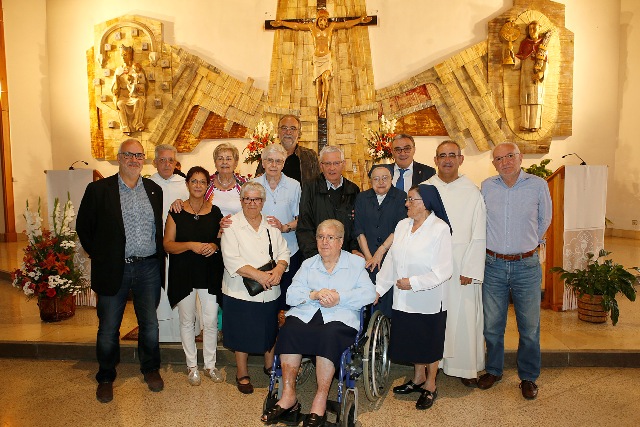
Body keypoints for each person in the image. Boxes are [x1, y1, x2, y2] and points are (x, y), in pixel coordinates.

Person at [262, 220, 376, 427]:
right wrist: (313, 294)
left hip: (340, 318)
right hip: (308, 313)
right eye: (320, 237)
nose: (324, 242)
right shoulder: (309, 264)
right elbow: (291, 294)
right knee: (289, 330)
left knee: (328, 334)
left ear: (340, 241)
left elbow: (369, 294)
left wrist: (340, 297)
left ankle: (320, 400)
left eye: (330, 237)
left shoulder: (355, 264)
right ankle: (288, 395)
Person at [76, 139, 165, 403]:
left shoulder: (154, 190)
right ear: (119, 157)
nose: (134, 160)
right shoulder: (98, 190)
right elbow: (84, 227)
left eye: (139, 155)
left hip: (148, 267)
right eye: (129, 155)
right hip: (114, 268)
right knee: (108, 327)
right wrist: (102, 255)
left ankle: (150, 368)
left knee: (149, 324)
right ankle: (105, 376)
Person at [478, 142, 552, 400]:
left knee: (529, 326)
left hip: (526, 265)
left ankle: (528, 376)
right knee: (492, 325)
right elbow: (481, 221)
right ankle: (494, 370)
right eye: (499, 159)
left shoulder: (537, 185)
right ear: (494, 164)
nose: (505, 162)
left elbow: (545, 219)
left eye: (510, 156)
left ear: (520, 157)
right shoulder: (487, 186)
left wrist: (528, 243)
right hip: (493, 265)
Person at [376, 184, 453, 410]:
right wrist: (379, 289)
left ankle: (431, 384)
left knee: (429, 342)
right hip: (404, 299)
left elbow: (444, 270)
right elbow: (391, 261)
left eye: (411, 199)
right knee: (412, 340)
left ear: (425, 203)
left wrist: (414, 283)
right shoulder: (402, 225)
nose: (406, 203)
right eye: (407, 199)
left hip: (429, 298)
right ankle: (418, 377)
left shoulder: (440, 229)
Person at [425, 140, 487, 386]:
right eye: (442, 155)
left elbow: (479, 232)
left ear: (461, 159)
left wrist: (471, 268)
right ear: (435, 160)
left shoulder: (472, 192)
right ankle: (432, 367)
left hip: (462, 266)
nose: (447, 160)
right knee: (434, 318)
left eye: (452, 155)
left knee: (463, 317)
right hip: (432, 266)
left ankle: (464, 368)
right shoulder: (426, 189)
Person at [221, 182, 290, 395]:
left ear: (263, 202)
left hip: (270, 289)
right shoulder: (231, 224)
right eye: (247, 199)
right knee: (241, 332)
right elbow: (232, 259)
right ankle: (242, 373)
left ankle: (269, 366)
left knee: (270, 329)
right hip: (239, 291)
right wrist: (260, 276)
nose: (252, 203)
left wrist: (279, 269)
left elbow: (283, 251)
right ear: (241, 201)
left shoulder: (271, 224)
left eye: (257, 199)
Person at [163, 166, 225, 386]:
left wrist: (214, 246)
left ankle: (210, 365)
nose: (198, 185)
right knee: (187, 320)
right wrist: (190, 245)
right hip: (184, 272)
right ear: (187, 183)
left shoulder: (215, 212)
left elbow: (221, 239)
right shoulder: (176, 211)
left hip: (209, 272)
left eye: (202, 182)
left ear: (208, 186)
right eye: (194, 181)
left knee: (210, 320)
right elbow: (167, 245)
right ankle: (191, 366)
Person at [271, 10, 371, 118]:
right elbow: (297, 26)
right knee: (318, 81)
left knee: (325, 77)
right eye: (321, 19)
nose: (323, 21)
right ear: (317, 20)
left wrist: (359, 20)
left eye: (324, 19)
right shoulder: (312, 27)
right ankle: (320, 107)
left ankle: (323, 104)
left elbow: (346, 24)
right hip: (317, 58)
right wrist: (282, 23)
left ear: (327, 21)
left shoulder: (331, 27)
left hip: (326, 58)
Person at [251, 144, 302, 312]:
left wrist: (284, 227)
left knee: (287, 300)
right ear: (263, 162)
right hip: (260, 252)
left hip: (289, 250)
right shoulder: (253, 185)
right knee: (264, 300)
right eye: (270, 160)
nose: (274, 165)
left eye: (278, 161)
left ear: (284, 163)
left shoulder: (294, 186)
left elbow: (301, 219)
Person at [354, 165, 407, 318]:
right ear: (370, 181)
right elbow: (359, 230)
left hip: (391, 255)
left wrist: (380, 252)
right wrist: (369, 257)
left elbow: (399, 229)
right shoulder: (362, 198)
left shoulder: (401, 197)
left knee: (389, 302)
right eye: (376, 179)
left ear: (391, 179)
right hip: (368, 258)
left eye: (385, 178)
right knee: (369, 298)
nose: (381, 182)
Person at [150, 144, 189, 343]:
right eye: (162, 160)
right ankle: (163, 331)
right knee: (160, 287)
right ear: (155, 162)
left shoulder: (185, 184)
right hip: (156, 246)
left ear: (176, 163)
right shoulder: (147, 184)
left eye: (170, 160)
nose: (166, 164)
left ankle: (183, 329)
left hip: (179, 245)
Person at [296, 145, 360, 259]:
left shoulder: (353, 190)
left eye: (336, 163)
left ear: (343, 164)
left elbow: (358, 225)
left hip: (347, 256)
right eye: (327, 164)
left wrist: (353, 249)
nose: (332, 168)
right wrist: (315, 257)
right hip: (318, 256)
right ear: (321, 166)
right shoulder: (310, 188)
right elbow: (304, 226)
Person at [255, 115, 320, 187]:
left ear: (299, 133)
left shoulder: (310, 156)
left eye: (293, 128)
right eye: (284, 128)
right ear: (278, 131)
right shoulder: (268, 154)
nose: (288, 132)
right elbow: (258, 183)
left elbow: (318, 185)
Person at [508, 21, 549, 132]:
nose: (532, 31)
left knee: (536, 99)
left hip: (537, 77)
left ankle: (535, 124)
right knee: (525, 100)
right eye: (530, 29)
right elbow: (520, 60)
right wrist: (512, 56)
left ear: (539, 29)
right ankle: (525, 124)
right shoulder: (524, 43)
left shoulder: (543, 45)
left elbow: (547, 63)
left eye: (534, 28)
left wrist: (542, 73)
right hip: (525, 76)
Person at [111, 45, 147, 135]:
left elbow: (143, 84)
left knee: (139, 101)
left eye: (125, 55)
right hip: (123, 95)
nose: (123, 57)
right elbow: (114, 88)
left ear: (130, 55)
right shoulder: (119, 70)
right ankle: (125, 127)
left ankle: (137, 124)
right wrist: (116, 85)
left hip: (134, 95)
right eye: (122, 55)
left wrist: (138, 88)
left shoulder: (136, 68)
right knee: (120, 103)